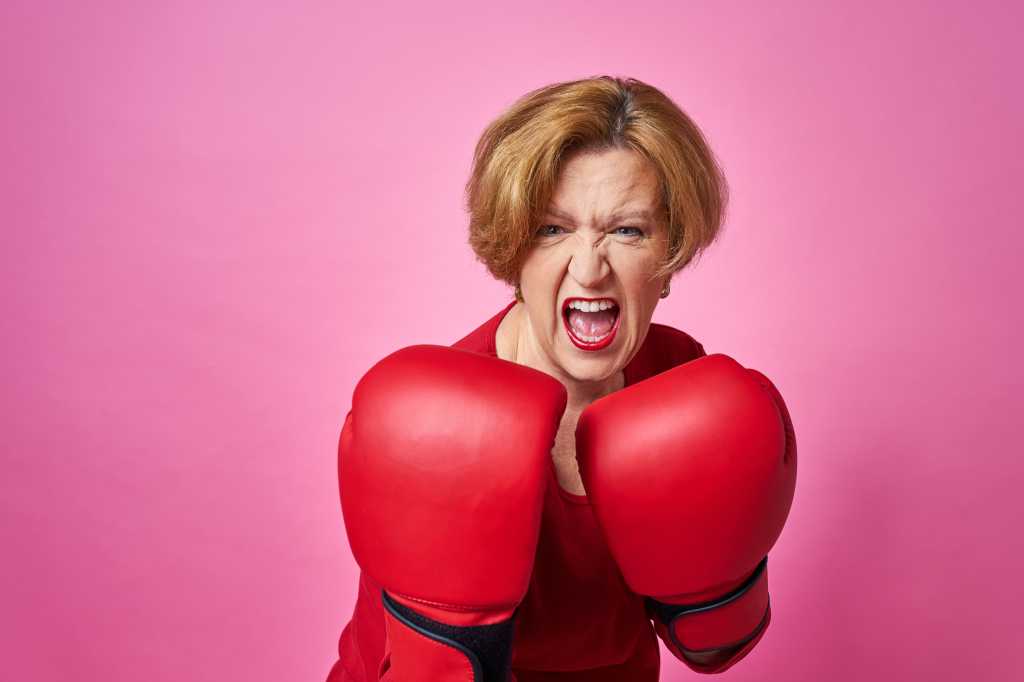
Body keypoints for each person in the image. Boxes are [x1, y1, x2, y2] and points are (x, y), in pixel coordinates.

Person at [326, 76, 797, 681]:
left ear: (670, 255)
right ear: (514, 252)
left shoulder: (681, 378)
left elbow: (712, 643)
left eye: (627, 230)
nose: (590, 268)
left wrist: (722, 587)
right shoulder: (436, 422)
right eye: (553, 229)